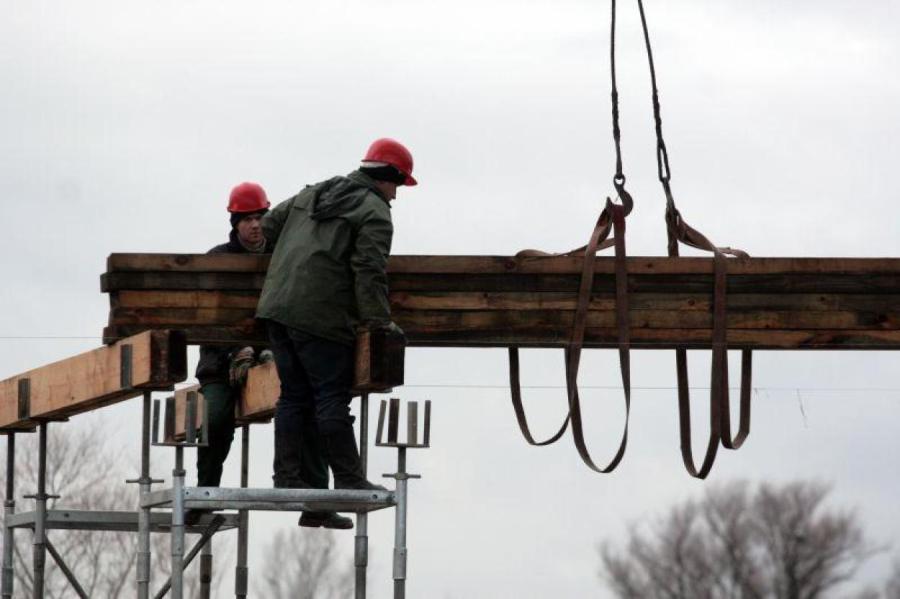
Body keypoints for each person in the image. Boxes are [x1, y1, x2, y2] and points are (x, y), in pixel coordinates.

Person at [256, 138, 416, 528]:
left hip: (276, 308)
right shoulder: (375, 211)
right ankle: (347, 476)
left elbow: (268, 227)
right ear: (388, 178)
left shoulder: (317, 190)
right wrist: (379, 323)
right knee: (331, 399)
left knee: (293, 397)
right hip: (321, 317)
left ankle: (287, 479)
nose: (396, 196)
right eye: (398, 186)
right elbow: (369, 269)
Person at [189, 182, 333, 524]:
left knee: (314, 408)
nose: (254, 225)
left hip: (279, 355)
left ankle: (317, 501)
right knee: (216, 417)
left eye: (260, 217)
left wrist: (266, 350)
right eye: (247, 219)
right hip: (221, 364)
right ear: (235, 224)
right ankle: (204, 495)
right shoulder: (219, 261)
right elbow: (206, 323)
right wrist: (236, 353)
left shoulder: (282, 257)